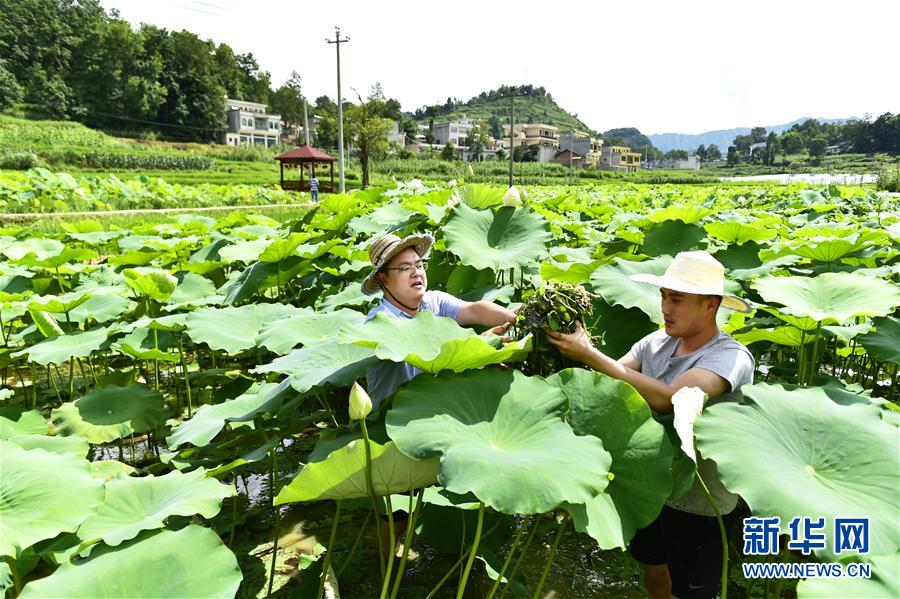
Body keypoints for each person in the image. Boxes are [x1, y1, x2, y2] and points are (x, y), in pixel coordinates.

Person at [546, 250, 755, 599]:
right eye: (663, 296)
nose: (665, 308)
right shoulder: (654, 343)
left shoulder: (731, 357)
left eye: (677, 299)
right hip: (647, 482)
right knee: (655, 573)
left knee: (694, 592)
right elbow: (609, 382)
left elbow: (673, 399)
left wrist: (590, 354)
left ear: (711, 304)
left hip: (700, 498)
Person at [361, 231, 517, 406]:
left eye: (419, 265)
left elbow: (473, 310)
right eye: (404, 268)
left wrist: (511, 316)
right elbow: (429, 355)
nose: (416, 273)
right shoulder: (378, 322)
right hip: (394, 412)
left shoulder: (433, 300)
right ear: (383, 279)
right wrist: (480, 345)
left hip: (439, 405)